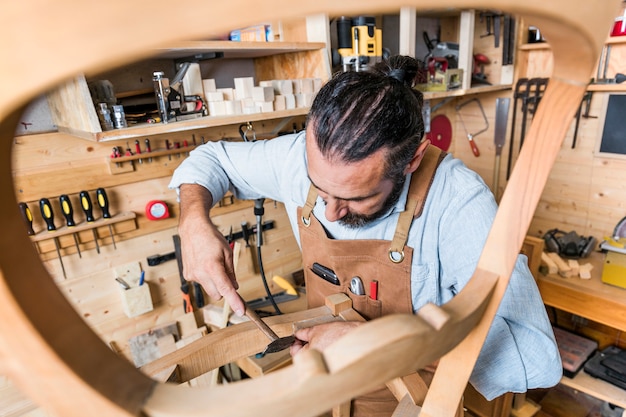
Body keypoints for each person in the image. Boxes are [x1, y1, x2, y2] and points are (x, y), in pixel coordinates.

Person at [169, 55, 561, 416]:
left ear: (413, 160)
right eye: (317, 188)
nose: (330, 212)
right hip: (323, 388)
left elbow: (535, 357)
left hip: (414, 404)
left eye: (355, 198)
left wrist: (376, 343)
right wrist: (193, 223)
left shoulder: (458, 201)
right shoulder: (298, 158)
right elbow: (210, 159)